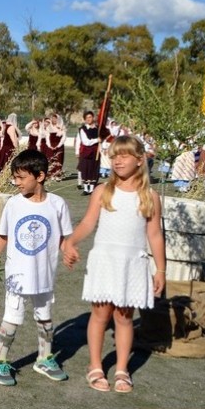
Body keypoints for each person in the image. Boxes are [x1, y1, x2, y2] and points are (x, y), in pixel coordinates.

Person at [62, 135, 166, 393]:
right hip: (105, 261)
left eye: (124, 155)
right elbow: (88, 223)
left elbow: (154, 234)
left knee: (124, 317)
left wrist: (160, 269)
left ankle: (121, 369)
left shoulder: (150, 196)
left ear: (140, 159)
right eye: (114, 155)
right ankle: (95, 366)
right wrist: (70, 242)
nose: (118, 161)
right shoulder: (102, 191)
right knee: (100, 315)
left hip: (133, 263)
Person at [0, 149, 73, 386]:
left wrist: (69, 251)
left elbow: (64, 237)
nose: (16, 182)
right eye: (15, 177)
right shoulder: (13, 204)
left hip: (44, 275)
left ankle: (44, 358)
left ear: (40, 176)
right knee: (12, 317)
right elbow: (3, 236)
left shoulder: (58, 204)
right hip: (18, 276)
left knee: (45, 318)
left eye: (21, 178)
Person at [77, 110, 101, 195]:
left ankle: (91, 189)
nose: (88, 119)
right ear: (84, 119)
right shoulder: (82, 129)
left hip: (96, 152)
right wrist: (96, 140)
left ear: (93, 118)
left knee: (93, 169)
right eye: (87, 117)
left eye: (90, 117)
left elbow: (103, 139)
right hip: (86, 152)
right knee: (86, 169)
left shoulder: (98, 129)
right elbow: (85, 142)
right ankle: (86, 189)